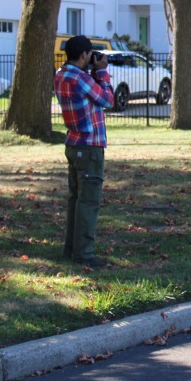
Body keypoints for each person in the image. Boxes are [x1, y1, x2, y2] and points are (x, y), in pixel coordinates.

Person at [54, 35, 114, 267]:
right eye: (90, 55)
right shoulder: (81, 78)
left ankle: (71, 249)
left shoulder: (61, 75)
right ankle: (84, 254)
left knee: (76, 200)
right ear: (83, 55)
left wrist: (93, 73)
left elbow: (90, 97)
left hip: (73, 143)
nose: (91, 58)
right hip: (90, 146)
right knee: (89, 201)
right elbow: (107, 100)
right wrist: (102, 72)